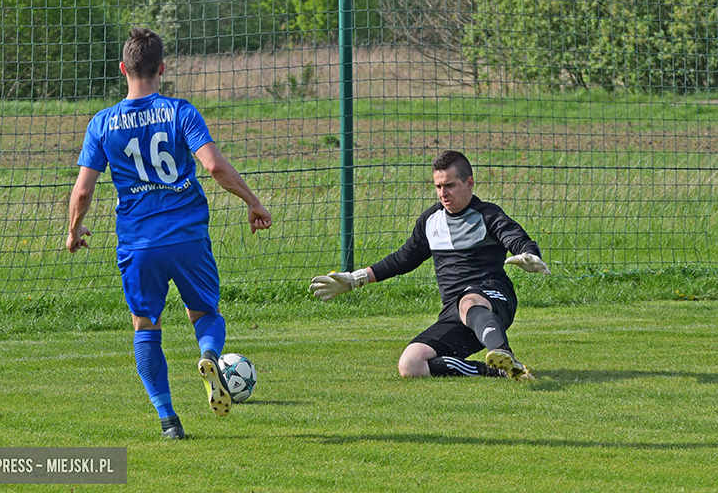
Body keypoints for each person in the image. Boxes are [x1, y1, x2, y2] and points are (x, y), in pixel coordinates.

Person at [66, 27, 272, 440]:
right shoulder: (180, 112)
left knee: (146, 327)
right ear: (162, 68)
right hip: (187, 237)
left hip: (139, 244)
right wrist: (253, 202)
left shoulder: (102, 123)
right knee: (205, 313)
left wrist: (74, 230)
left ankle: (168, 421)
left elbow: (84, 189)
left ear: (123, 68)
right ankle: (210, 353)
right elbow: (214, 166)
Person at [310, 150, 549, 381]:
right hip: (454, 312)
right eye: (438, 186)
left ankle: (503, 351)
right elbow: (403, 259)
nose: (443, 193)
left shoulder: (487, 215)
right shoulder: (430, 220)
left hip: (493, 298)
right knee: (411, 364)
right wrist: (355, 279)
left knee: (468, 300)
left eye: (450, 185)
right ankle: (501, 370)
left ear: (469, 183)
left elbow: (517, 239)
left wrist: (528, 254)